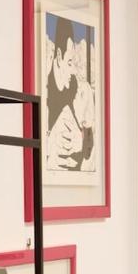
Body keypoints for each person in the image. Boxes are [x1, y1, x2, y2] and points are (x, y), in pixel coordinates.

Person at [46, 16, 95, 171]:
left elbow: (90, 145)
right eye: (69, 62)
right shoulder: (44, 92)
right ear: (58, 56)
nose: (73, 70)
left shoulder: (82, 90)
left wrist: (81, 143)